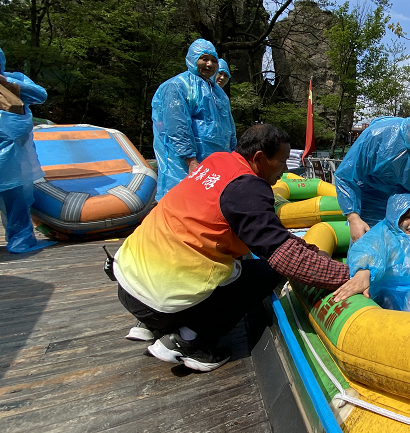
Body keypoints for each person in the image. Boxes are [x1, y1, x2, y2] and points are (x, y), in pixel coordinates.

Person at [115, 124, 364, 372]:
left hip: (129, 286)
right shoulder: (248, 188)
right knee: (267, 272)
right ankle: (191, 341)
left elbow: (271, 232)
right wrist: (351, 276)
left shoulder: (218, 162)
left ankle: (153, 325)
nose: (286, 169)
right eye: (282, 161)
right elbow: (285, 257)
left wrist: (309, 248)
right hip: (159, 302)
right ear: (259, 158)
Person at [335, 92, 410, 243]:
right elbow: (345, 175)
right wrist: (353, 218)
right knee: (370, 253)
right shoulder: (377, 136)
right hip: (375, 204)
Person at [151, 39, 237, 201]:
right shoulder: (177, 86)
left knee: (210, 204)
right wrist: (191, 161)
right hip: (185, 163)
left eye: (213, 60)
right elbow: (177, 126)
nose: (209, 64)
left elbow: (229, 128)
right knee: (182, 202)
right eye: (204, 58)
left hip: (218, 162)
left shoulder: (219, 93)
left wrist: (233, 155)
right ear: (192, 59)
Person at [0, 46, 55, 253]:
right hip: (12, 156)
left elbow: (40, 95)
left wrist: (6, 82)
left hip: (13, 158)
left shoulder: (14, 78)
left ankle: (21, 240)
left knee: (16, 199)